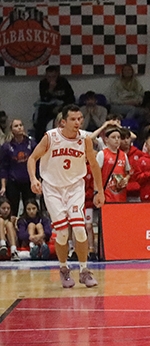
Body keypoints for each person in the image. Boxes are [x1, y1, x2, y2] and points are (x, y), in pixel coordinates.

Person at [27, 104, 104, 288]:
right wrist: (33, 179)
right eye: (73, 119)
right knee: (62, 233)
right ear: (63, 122)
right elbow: (32, 158)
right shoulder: (51, 137)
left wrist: (99, 191)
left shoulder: (85, 139)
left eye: (80, 119)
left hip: (75, 187)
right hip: (52, 188)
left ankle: (84, 270)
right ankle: (63, 268)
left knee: (79, 229)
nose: (78, 122)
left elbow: (94, 166)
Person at [0, 119, 38, 214]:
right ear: (11, 130)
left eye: (21, 125)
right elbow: (4, 167)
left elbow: (37, 162)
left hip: (29, 180)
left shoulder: (31, 143)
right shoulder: (6, 146)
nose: (19, 127)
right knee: (13, 209)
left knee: (30, 207)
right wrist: (3, 186)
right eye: (16, 126)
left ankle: (27, 227)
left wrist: (38, 179)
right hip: (13, 181)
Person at [35, 66, 76, 137]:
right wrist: (50, 89)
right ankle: (40, 139)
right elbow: (44, 99)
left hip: (62, 105)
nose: (51, 79)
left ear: (57, 75)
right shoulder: (43, 83)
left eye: (53, 77)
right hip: (48, 106)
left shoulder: (63, 82)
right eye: (49, 77)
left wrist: (60, 107)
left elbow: (71, 98)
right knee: (41, 114)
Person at [95, 127, 131, 203]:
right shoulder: (102, 154)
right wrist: (97, 192)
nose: (117, 139)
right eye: (113, 137)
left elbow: (128, 173)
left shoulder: (123, 155)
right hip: (106, 194)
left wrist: (126, 179)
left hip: (121, 194)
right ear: (106, 139)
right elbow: (96, 175)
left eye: (118, 137)